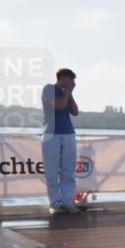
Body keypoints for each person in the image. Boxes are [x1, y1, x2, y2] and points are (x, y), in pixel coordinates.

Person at [41, 68, 79, 214]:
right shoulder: (48, 89)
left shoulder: (66, 93)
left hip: (68, 133)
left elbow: (75, 112)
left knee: (68, 169)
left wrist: (70, 93)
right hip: (51, 134)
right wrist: (68, 91)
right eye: (72, 80)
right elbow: (59, 106)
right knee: (52, 171)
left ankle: (68, 202)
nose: (73, 83)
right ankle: (55, 204)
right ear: (63, 78)